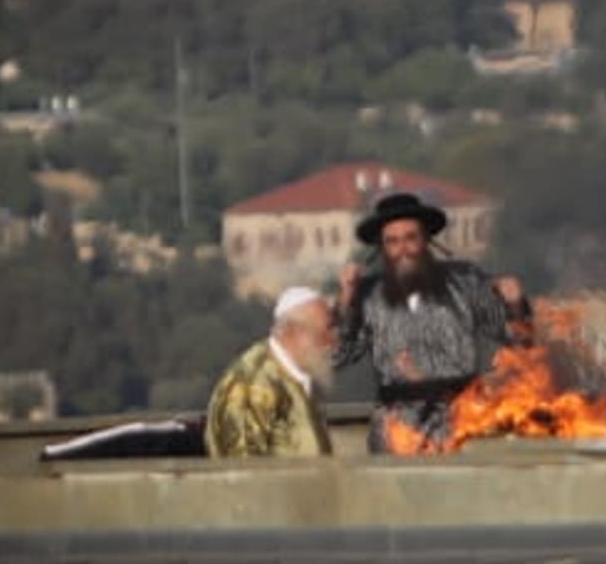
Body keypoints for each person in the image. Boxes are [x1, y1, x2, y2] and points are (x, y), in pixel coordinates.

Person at [334, 192, 529, 453]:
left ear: (426, 240)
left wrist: (515, 305)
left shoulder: (465, 282)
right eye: (392, 242)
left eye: (410, 238)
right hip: (396, 431)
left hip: (459, 422)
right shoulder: (368, 295)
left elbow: (520, 342)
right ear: (382, 249)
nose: (403, 249)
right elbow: (337, 356)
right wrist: (346, 299)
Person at [204, 287, 336, 458]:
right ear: (293, 332)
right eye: (324, 333)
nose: (332, 341)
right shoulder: (253, 384)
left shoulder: (298, 375)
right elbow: (244, 469)